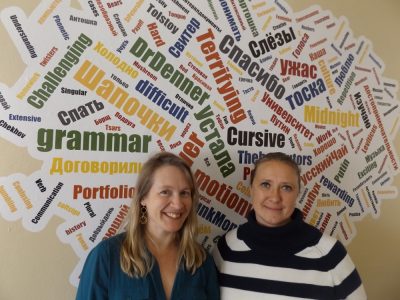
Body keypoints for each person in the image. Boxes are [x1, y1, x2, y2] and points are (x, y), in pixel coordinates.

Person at [213, 152, 366, 299]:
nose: (275, 197)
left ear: (298, 193)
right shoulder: (226, 248)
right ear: (251, 189)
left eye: (286, 187)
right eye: (265, 184)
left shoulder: (330, 255)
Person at [76, 152, 220, 300]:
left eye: (184, 193)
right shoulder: (106, 257)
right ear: (143, 197)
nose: (177, 204)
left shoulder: (202, 261)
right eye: (165, 192)